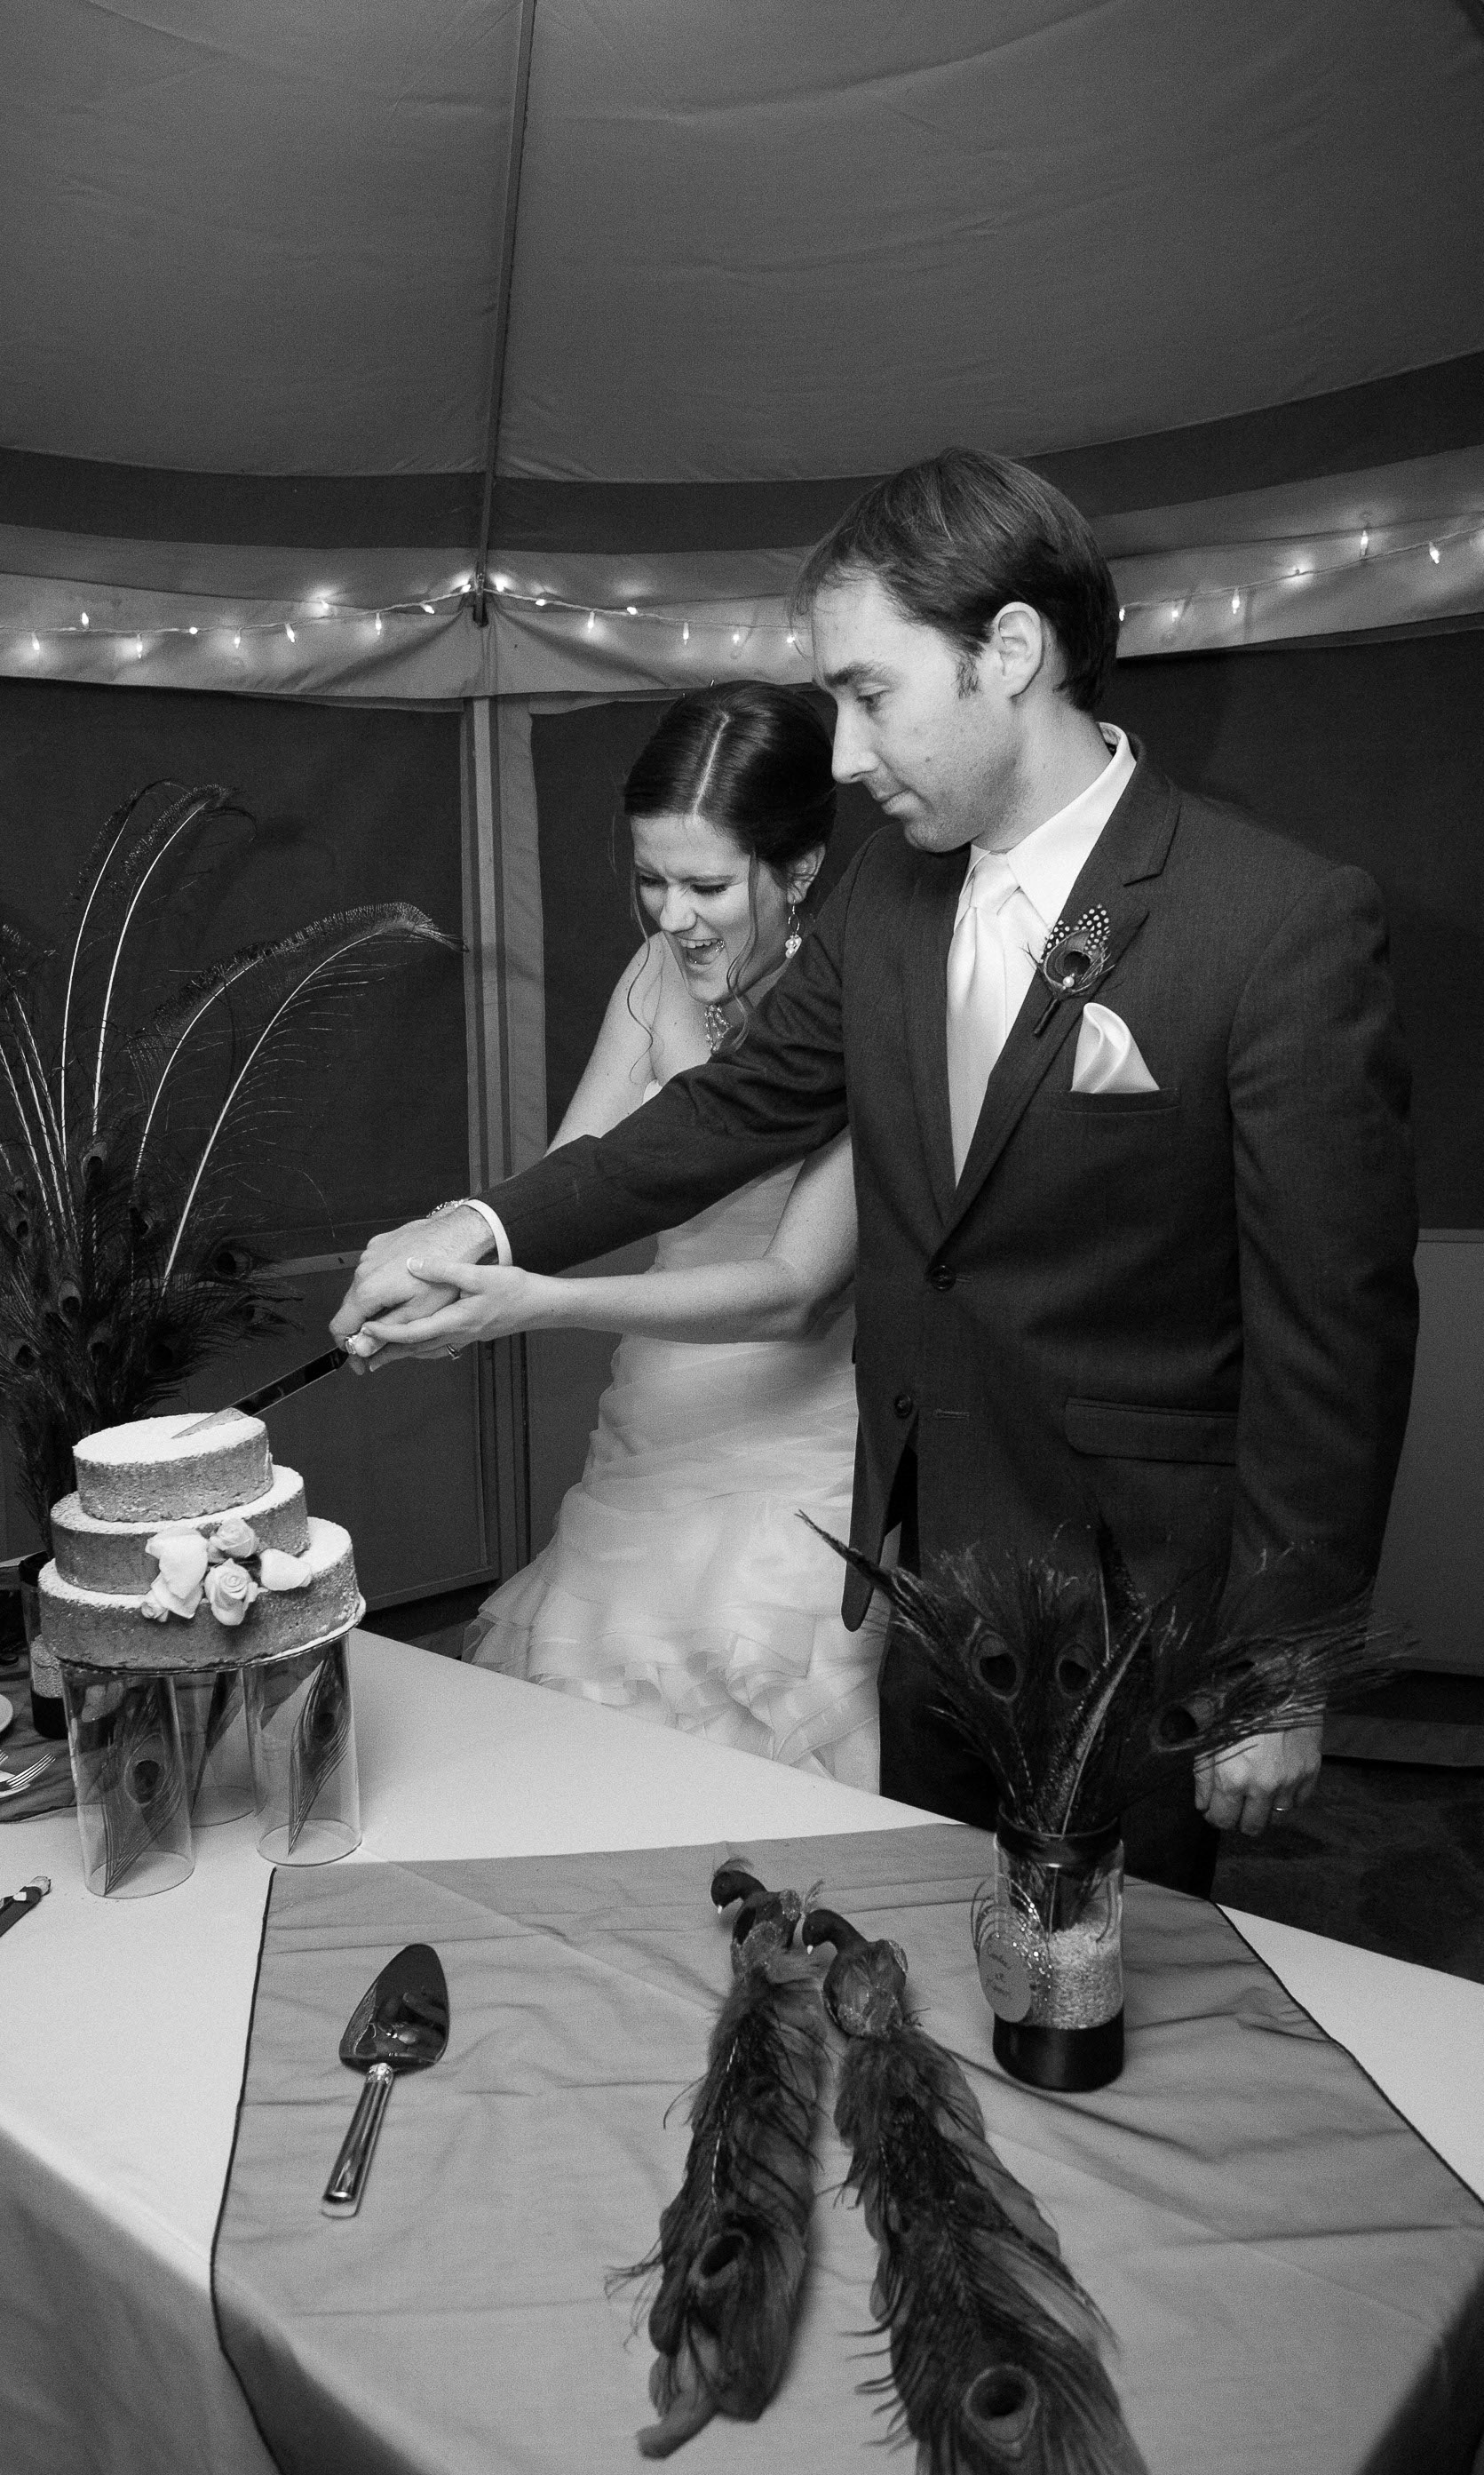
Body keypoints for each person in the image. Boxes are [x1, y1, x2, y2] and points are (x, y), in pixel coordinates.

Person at [337, 449, 1419, 1895]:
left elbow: (1331, 1325)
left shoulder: (1272, 919)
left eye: (868, 692)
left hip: (1139, 1602)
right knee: (928, 1935)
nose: (843, 755)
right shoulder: (887, 895)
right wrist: (476, 1223)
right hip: (915, 1580)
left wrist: (1279, 1657)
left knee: (1114, 1971)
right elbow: (724, 1111)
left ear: (1008, 652)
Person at [368, 686, 887, 1787]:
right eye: (652, 880)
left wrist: (543, 1306)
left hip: (800, 1451)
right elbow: (574, 1186)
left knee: (759, 1760)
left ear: (799, 868)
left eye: (707, 885)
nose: (672, 917)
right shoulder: (655, 976)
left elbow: (794, 1289)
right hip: (651, 1426)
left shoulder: (862, 999)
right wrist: (439, 1278)